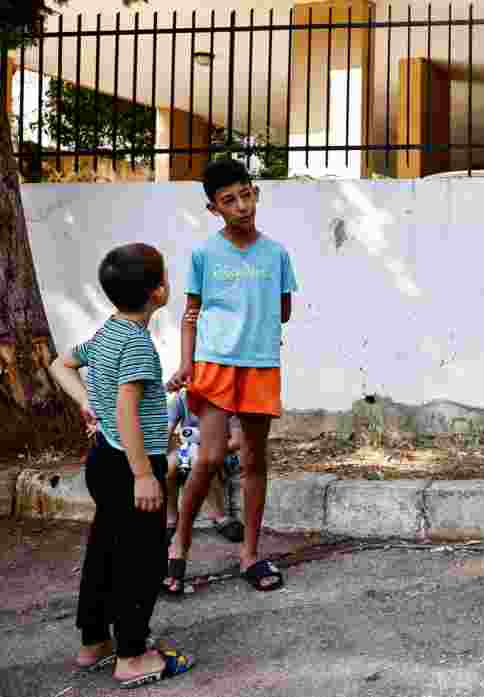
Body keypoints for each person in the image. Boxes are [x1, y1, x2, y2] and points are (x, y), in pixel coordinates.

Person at [48, 243, 195, 688]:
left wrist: (89, 405)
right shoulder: (136, 346)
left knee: (105, 553)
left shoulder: (108, 333)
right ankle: (132, 655)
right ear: (158, 291)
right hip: (129, 466)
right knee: (141, 562)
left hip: (105, 460)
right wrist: (144, 474)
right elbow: (129, 410)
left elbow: (61, 364)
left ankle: (94, 642)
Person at [164, 158, 298, 594]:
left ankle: (251, 556)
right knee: (207, 458)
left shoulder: (277, 253)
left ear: (255, 193)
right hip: (215, 366)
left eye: (246, 195)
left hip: (260, 366)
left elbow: (283, 312)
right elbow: (190, 314)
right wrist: (187, 363)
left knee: (255, 460)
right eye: (228, 200)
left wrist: (252, 325)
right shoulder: (204, 254)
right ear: (214, 208)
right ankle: (179, 545)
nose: (241, 206)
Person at [165, 387, 245, 544]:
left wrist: (210, 447)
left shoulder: (227, 398)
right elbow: (167, 430)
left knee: (204, 461)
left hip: (221, 452)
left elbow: (236, 441)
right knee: (169, 466)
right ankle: (171, 518)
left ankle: (219, 516)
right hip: (188, 449)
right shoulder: (182, 397)